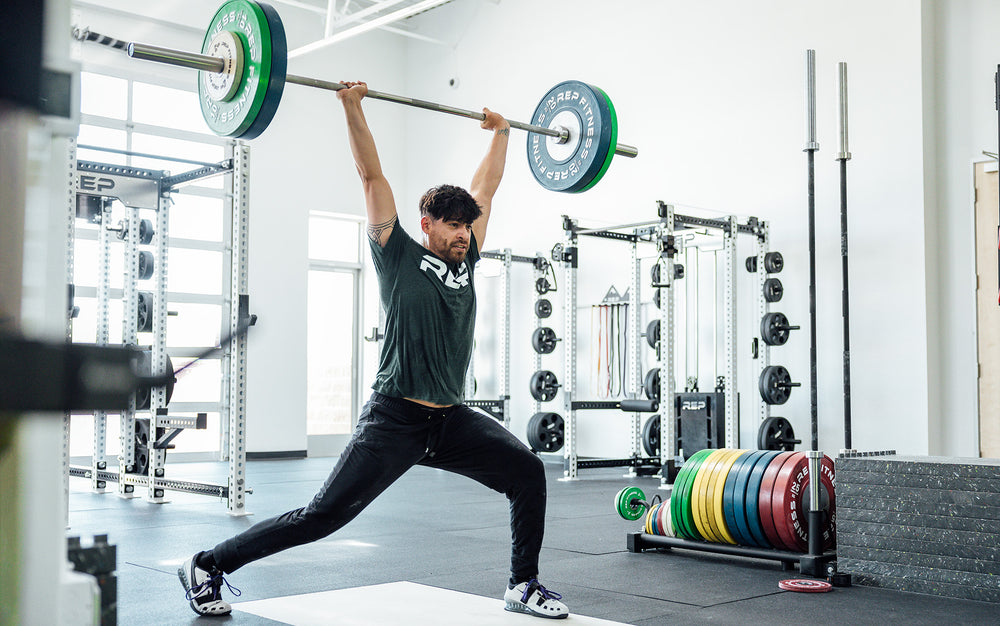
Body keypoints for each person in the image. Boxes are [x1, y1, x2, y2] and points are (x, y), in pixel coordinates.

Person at [177, 81, 569, 620]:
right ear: (427, 224)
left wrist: (501, 133)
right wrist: (352, 106)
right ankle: (208, 564)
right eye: (453, 226)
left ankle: (522, 585)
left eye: (467, 226)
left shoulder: (467, 259)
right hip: (395, 417)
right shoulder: (396, 253)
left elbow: (488, 187)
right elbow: (372, 176)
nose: (463, 234)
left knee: (526, 471)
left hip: (450, 421)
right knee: (322, 517)